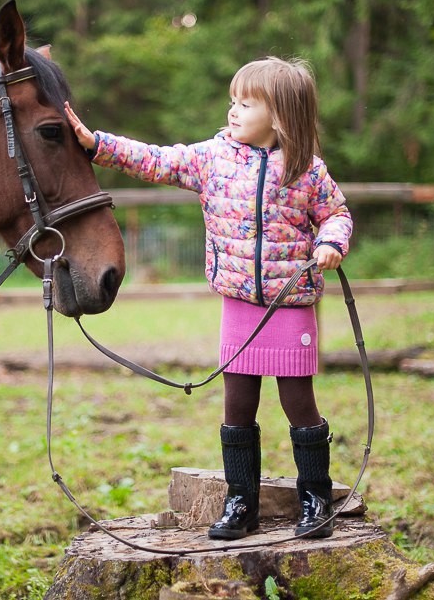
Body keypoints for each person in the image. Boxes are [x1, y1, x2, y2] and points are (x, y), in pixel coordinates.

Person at [64, 56, 353, 540]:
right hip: (238, 303)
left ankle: (315, 498)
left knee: (298, 402)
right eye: (232, 101)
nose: (234, 111)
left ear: (280, 116)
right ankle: (241, 503)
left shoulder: (308, 172)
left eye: (246, 103)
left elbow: (336, 214)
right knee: (237, 404)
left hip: (291, 304)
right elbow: (157, 159)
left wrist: (330, 243)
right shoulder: (213, 159)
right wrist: (99, 146)